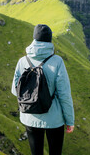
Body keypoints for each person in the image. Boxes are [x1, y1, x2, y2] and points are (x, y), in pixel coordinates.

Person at [11, 24, 75, 155]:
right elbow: (64, 94)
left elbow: (14, 90)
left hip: (30, 116)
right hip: (54, 119)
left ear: (34, 38)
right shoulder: (57, 61)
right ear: (49, 40)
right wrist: (70, 121)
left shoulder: (23, 61)